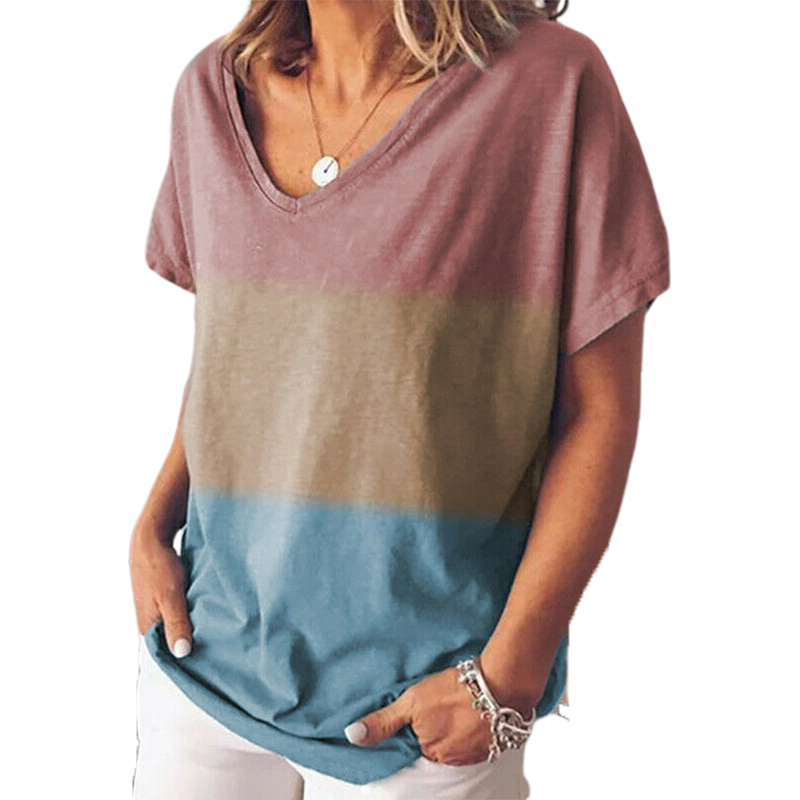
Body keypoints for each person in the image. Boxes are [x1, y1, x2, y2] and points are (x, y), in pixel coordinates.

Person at [129, 1, 670, 798]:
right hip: (205, 663)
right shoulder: (213, 92)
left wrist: (509, 674)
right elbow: (245, 359)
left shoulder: (549, 86)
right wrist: (152, 525)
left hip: (424, 711)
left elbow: (598, 410)